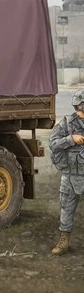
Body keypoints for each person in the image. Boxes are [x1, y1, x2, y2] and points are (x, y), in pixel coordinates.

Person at [49, 88, 84, 255]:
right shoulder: (66, 123)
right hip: (71, 175)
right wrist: (71, 139)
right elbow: (53, 144)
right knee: (67, 208)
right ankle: (64, 241)